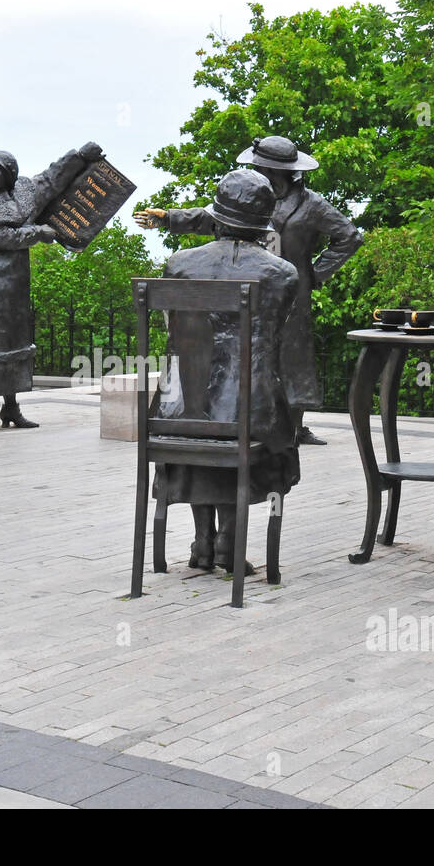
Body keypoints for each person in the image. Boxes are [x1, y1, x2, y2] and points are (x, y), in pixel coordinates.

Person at [134, 135, 362, 445]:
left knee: (291, 358)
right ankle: (229, 417)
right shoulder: (246, 200)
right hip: (245, 290)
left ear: (277, 172)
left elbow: (349, 237)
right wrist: (171, 217)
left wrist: (313, 274)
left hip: (286, 291)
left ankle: (294, 424)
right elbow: (211, 217)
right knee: (238, 355)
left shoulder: (312, 204)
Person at [152, 169, 301, 571]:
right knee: (253, 423)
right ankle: (227, 543)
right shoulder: (282, 274)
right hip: (250, 411)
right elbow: (271, 337)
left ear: (216, 217)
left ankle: (203, 541)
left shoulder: (178, 265)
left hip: (176, 411)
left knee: (199, 416)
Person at [0, 142, 104, 433]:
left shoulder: (22, 190)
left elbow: (52, 178)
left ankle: (11, 408)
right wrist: (38, 232)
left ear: (9, 172)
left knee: (13, 342)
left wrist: (79, 156)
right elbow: (2, 238)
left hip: (14, 282)